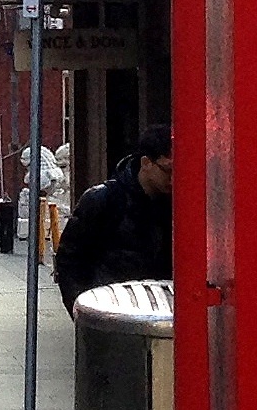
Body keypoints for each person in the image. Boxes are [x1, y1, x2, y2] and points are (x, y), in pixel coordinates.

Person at [53, 125, 176, 314]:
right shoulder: (103, 200)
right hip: (112, 309)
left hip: (163, 310)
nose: (173, 179)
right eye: (168, 170)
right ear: (146, 163)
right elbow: (69, 262)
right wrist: (83, 313)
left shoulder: (178, 205)